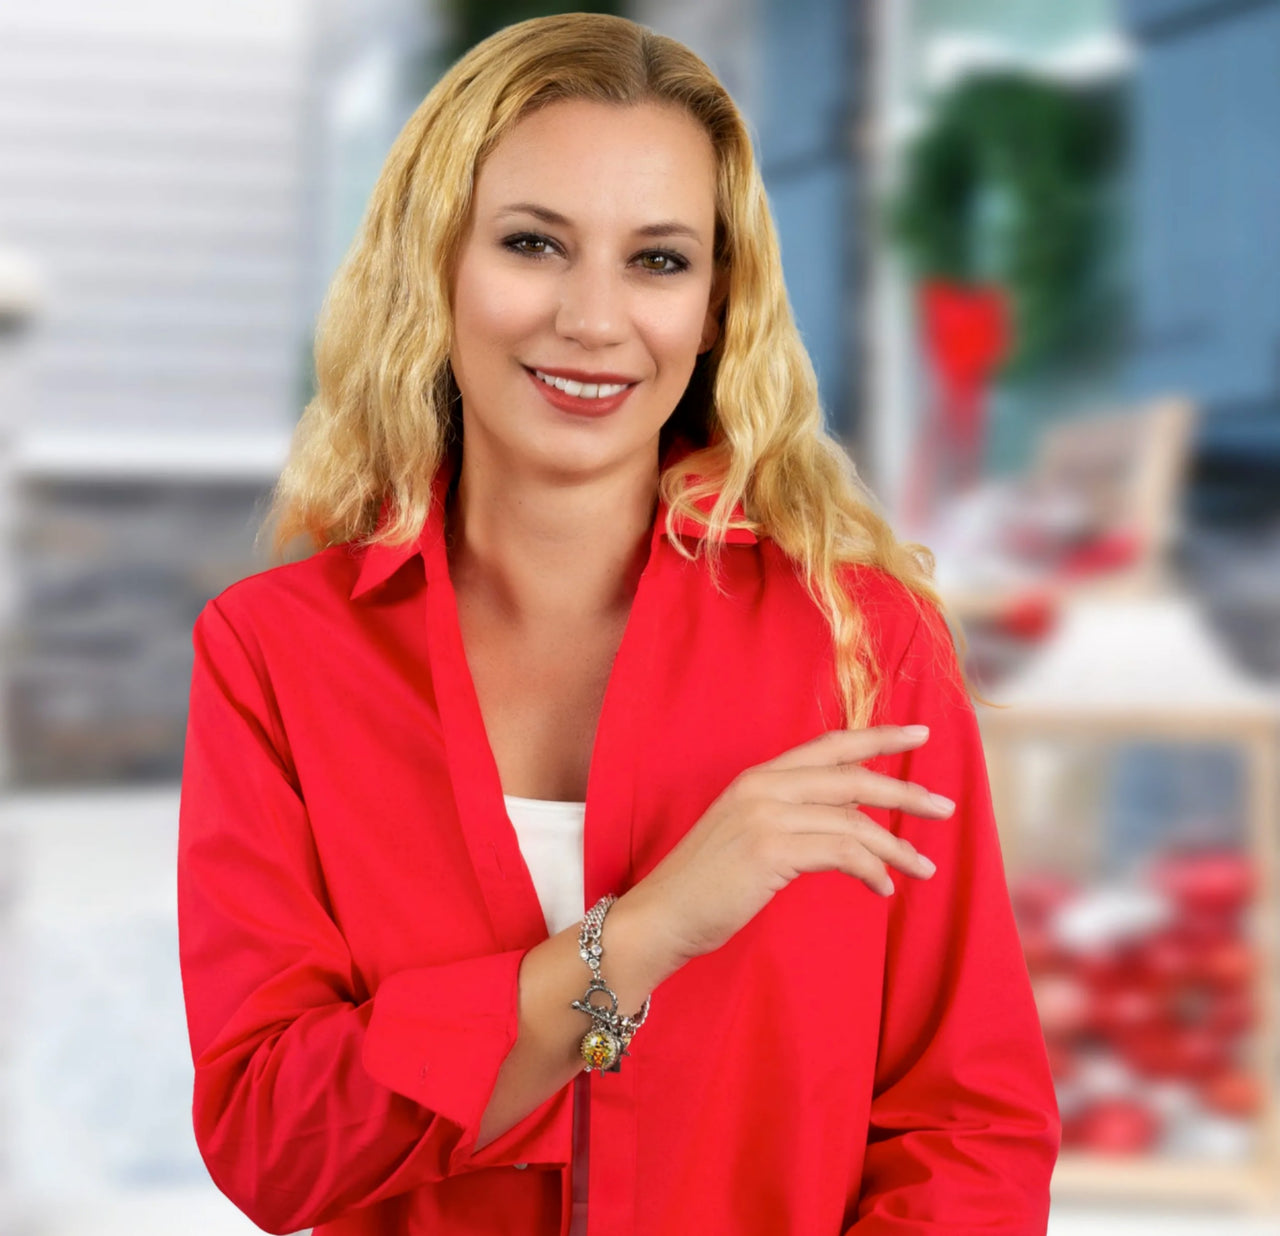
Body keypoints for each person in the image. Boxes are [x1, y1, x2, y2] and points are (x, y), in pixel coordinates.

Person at [177, 12, 1060, 1235]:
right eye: (533, 244)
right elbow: (273, 1146)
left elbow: (967, 1129)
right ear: (432, 265)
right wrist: (638, 937)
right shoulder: (273, 655)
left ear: (714, 309)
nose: (593, 320)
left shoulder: (862, 646)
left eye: (657, 260)